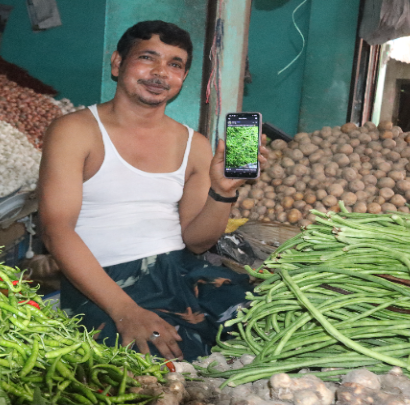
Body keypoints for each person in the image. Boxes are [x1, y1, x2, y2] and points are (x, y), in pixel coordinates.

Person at [37, 20, 268, 362]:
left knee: (264, 329)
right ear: (118, 64)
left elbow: (198, 241)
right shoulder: (75, 131)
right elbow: (56, 231)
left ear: (183, 78)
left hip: (182, 271)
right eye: (148, 58)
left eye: (175, 64)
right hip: (106, 280)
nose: (161, 73)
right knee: (158, 363)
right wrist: (124, 310)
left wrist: (222, 192)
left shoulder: (195, 145)